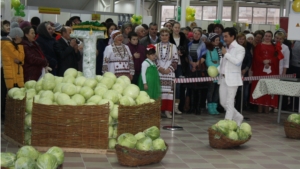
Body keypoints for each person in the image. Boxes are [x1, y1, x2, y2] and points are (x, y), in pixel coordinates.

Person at [250, 31, 282, 113]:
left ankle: (267, 108)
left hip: (271, 71)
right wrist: (263, 61)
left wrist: (270, 61)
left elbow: (277, 57)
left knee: (269, 88)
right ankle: (259, 108)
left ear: (272, 37)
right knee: (260, 87)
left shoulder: (275, 47)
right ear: (264, 37)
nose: (267, 37)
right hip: (260, 70)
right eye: (266, 36)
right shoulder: (258, 46)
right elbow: (256, 56)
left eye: (269, 36)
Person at [218, 27, 245, 126]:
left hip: (233, 79)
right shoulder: (226, 47)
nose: (224, 38)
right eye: (223, 36)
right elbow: (223, 64)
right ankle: (237, 116)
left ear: (233, 36)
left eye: (226, 36)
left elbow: (237, 62)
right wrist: (216, 70)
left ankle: (227, 124)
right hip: (223, 78)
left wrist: (226, 54)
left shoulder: (240, 48)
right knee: (223, 102)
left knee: (230, 102)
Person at [1, 22, 24, 121]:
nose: (22, 40)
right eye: (21, 38)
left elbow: (21, 61)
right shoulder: (8, 45)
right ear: (17, 36)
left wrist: (20, 61)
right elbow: (20, 57)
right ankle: (4, 115)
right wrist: (21, 48)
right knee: (6, 95)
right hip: (9, 74)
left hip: (8, 72)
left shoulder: (5, 43)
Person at [155, 28, 179, 118]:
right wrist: (160, 68)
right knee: (159, 92)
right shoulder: (155, 46)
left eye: (166, 35)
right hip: (159, 72)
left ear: (169, 36)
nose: (164, 37)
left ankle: (167, 111)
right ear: (160, 36)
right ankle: (159, 110)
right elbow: (153, 59)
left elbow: (175, 60)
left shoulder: (173, 46)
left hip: (169, 73)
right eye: (162, 35)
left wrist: (169, 69)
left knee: (169, 93)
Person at [186, 28, 208, 115]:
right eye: (195, 33)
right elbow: (187, 56)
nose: (197, 35)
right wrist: (192, 64)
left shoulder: (203, 44)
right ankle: (191, 107)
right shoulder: (189, 44)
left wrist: (196, 64)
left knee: (199, 89)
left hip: (199, 68)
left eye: (199, 34)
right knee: (191, 88)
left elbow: (204, 56)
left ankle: (197, 108)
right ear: (193, 34)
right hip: (191, 68)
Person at [169, 22, 187, 114]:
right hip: (170, 64)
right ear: (172, 28)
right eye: (175, 27)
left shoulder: (183, 37)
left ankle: (176, 106)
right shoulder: (169, 37)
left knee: (179, 85)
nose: (177, 29)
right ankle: (169, 106)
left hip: (180, 64)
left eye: (178, 27)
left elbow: (186, 48)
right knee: (170, 85)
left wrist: (182, 52)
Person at [235, 33, 253, 111]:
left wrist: (246, 69)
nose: (241, 40)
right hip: (235, 72)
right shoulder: (234, 48)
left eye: (243, 39)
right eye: (240, 39)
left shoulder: (246, 49)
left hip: (244, 72)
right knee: (237, 91)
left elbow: (250, 60)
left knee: (244, 92)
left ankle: (241, 108)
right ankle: (235, 108)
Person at [205, 33, 222, 115]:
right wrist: (215, 68)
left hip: (219, 72)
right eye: (216, 40)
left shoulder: (220, 49)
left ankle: (215, 107)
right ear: (211, 41)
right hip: (212, 72)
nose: (217, 42)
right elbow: (208, 61)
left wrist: (220, 68)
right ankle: (210, 107)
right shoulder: (209, 50)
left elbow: (222, 60)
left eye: (218, 40)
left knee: (217, 91)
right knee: (211, 90)